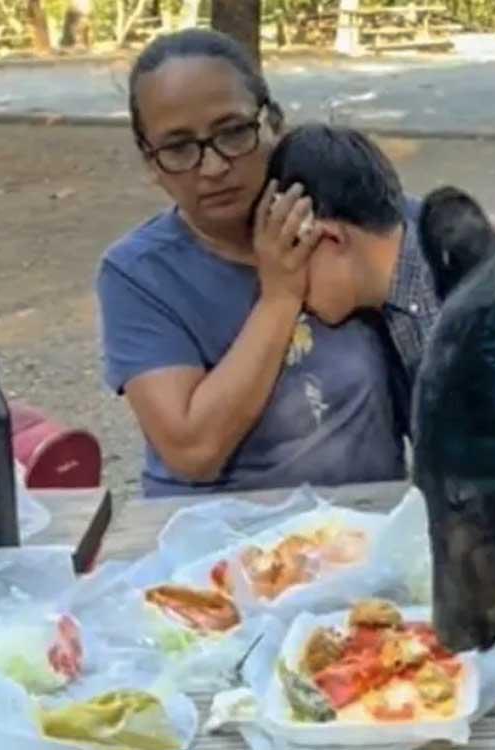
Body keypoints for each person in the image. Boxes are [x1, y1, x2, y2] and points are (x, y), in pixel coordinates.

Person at [95, 29, 406, 497]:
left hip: (367, 535)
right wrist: (279, 295)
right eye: (179, 148)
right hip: (215, 547)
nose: (214, 166)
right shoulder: (139, 275)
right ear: (150, 162)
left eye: (233, 132)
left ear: (272, 122)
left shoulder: (352, 217)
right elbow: (192, 451)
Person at [266, 124, 495, 433]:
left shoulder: (449, 305)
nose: (288, 280)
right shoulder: (394, 304)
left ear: (327, 238)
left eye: (290, 254)